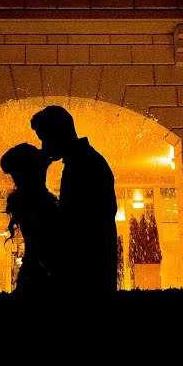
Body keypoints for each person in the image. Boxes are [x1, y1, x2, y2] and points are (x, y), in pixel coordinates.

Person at [31, 105, 118, 295]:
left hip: (86, 275)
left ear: (59, 133)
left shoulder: (83, 165)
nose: (44, 147)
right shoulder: (85, 161)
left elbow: (77, 221)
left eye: (45, 139)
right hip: (93, 272)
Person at [0, 143, 63, 296]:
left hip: (35, 274)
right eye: (35, 153)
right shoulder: (37, 201)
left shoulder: (30, 198)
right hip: (41, 278)